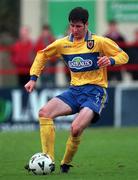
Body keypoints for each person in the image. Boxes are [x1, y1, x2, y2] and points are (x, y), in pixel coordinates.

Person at [24, 7, 129, 173]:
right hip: (74, 91)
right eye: (72, 26)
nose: (75, 30)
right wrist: (32, 78)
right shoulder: (63, 44)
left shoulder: (99, 41)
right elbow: (42, 55)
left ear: (86, 24)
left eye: (78, 26)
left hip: (95, 92)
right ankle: (48, 159)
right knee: (44, 112)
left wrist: (110, 60)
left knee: (75, 128)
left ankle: (65, 163)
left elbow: (124, 55)